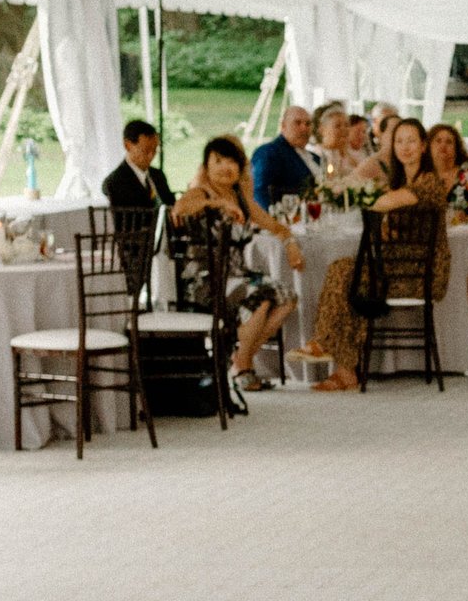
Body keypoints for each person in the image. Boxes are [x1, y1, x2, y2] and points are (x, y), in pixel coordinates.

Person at [307, 118, 448, 392]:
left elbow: (385, 203)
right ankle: (343, 367)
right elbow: (392, 227)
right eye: (399, 141)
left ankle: (331, 351)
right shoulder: (398, 180)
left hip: (421, 272)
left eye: (411, 141)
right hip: (394, 266)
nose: (404, 147)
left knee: (350, 274)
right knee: (345, 271)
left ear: (423, 146)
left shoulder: (429, 182)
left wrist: (347, 190)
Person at [172, 135, 303, 391]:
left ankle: (241, 358)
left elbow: (276, 226)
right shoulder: (200, 193)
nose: (224, 167)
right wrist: (217, 202)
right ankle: (243, 367)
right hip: (204, 278)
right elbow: (181, 207)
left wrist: (291, 245)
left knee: (287, 298)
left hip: (237, 274)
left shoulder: (241, 198)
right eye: (218, 161)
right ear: (207, 166)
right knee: (261, 297)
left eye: (231, 161)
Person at [250, 105, 317, 207]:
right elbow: (259, 192)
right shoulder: (269, 153)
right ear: (283, 126)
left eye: (308, 124)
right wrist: (271, 221)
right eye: (297, 123)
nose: (304, 128)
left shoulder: (315, 158)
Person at [102, 119, 173, 215]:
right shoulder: (114, 182)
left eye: (155, 149)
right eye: (146, 151)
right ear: (127, 146)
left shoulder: (158, 175)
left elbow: (172, 205)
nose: (151, 155)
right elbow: (124, 223)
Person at [308, 103, 350, 180]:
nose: (344, 129)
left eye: (347, 125)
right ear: (322, 129)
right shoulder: (315, 156)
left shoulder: (342, 153)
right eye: (338, 126)